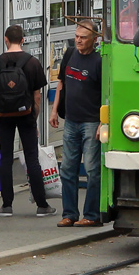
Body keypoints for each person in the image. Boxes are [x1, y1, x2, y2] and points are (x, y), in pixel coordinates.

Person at [0, 25, 55, 217]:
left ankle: (6, 205)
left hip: (4, 117)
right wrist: (34, 118)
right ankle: (42, 205)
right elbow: (38, 97)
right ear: (23, 40)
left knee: (6, 158)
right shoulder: (32, 63)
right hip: (26, 116)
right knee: (32, 158)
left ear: (6, 40)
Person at [49, 20, 103, 228]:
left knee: (91, 169)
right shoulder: (70, 54)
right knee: (68, 169)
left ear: (95, 39)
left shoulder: (99, 60)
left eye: (83, 37)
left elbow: (107, 93)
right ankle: (69, 214)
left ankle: (92, 214)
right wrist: (54, 110)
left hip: (91, 121)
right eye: (77, 36)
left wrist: (102, 123)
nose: (78, 41)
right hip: (71, 119)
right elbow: (61, 83)